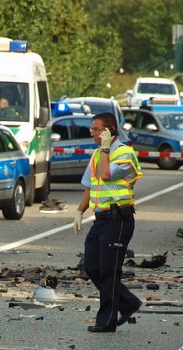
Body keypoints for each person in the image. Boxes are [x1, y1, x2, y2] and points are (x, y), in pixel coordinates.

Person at [74, 113, 144, 333]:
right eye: (92, 129)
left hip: (119, 220)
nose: (92, 134)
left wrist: (105, 148)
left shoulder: (124, 153)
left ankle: (106, 321)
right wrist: (79, 211)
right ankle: (128, 302)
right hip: (101, 220)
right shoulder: (97, 154)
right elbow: (90, 184)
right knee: (91, 266)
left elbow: (105, 175)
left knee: (108, 271)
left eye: (96, 130)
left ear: (110, 131)